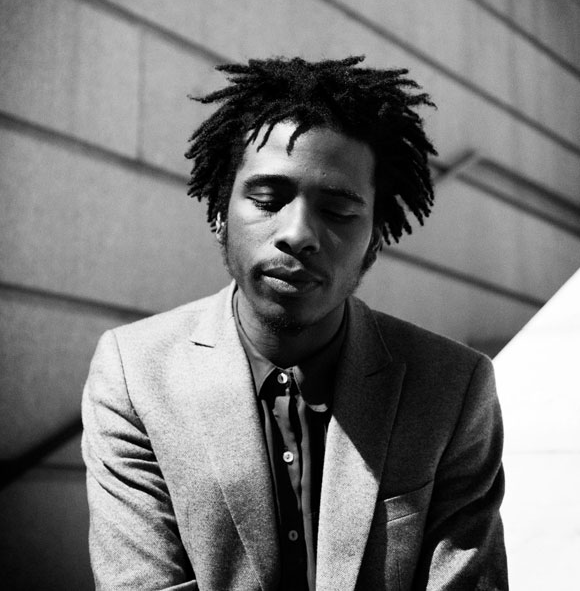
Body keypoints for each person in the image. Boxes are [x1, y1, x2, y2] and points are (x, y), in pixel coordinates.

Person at [82, 55, 508, 590]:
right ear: (220, 213)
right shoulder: (134, 374)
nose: (298, 234)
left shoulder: (453, 388)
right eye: (268, 199)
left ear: (374, 242)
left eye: (338, 211)